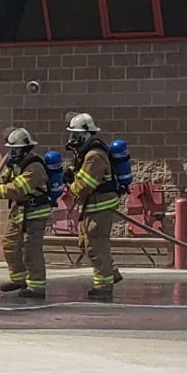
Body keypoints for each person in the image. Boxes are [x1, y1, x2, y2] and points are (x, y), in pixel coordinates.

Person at [0, 127, 51, 300]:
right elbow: (4, 179)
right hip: (20, 210)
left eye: (16, 149)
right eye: (11, 149)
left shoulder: (35, 167)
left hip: (36, 212)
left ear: (25, 149)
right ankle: (19, 279)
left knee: (31, 250)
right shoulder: (15, 165)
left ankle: (37, 287)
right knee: (9, 244)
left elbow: (18, 189)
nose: (13, 153)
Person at [63, 113, 122, 302]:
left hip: (99, 207)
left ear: (85, 135)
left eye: (75, 135)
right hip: (92, 206)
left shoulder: (94, 155)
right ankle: (110, 273)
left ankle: (104, 286)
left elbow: (84, 186)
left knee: (96, 246)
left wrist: (70, 184)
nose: (72, 139)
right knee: (86, 244)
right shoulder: (87, 153)